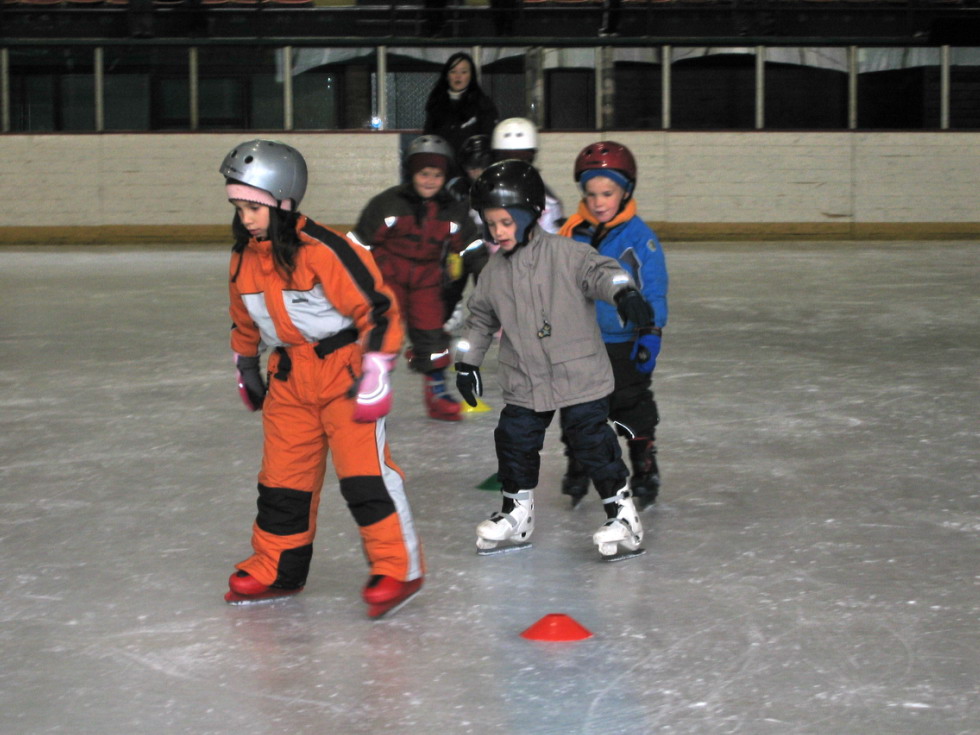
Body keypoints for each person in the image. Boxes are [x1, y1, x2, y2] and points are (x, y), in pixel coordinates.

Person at [219, 139, 424, 618]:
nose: (246, 219)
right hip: (289, 379)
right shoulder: (243, 259)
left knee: (364, 476)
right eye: (239, 208)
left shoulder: (324, 250)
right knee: (282, 481)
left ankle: (398, 569)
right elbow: (243, 320)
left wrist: (376, 369)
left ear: (285, 203)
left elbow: (378, 308)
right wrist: (246, 365)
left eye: (254, 208)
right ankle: (278, 567)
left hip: (344, 375)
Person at [453, 159, 656, 560]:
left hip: (578, 372)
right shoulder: (493, 272)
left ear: (529, 215)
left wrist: (624, 292)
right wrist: (466, 362)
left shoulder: (568, 253)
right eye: (491, 224)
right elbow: (479, 318)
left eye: (506, 222)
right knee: (514, 440)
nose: (498, 232)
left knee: (591, 441)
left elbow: (604, 272)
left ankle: (622, 514)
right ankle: (516, 514)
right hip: (524, 377)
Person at [558, 141, 669, 511]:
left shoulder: (639, 237)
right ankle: (579, 462)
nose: (598, 202)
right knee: (576, 407)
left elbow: (653, 288)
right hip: (579, 340)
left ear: (625, 191)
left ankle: (643, 463)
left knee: (630, 404)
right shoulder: (571, 234)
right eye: (591, 194)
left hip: (623, 339)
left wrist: (650, 332)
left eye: (607, 193)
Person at [350, 134, 481, 421]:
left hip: (427, 281)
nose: (430, 181)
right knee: (380, 330)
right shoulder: (388, 204)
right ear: (412, 173)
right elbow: (358, 244)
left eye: (437, 175)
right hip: (388, 280)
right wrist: (354, 281)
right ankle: (366, 385)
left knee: (432, 333)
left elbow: (472, 248)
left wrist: (486, 276)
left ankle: (436, 391)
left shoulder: (453, 211)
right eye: (424, 174)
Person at [444, 133, 493, 329]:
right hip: (462, 245)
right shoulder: (456, 188)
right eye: (472, 168)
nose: (477, 172)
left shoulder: (499, 184)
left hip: (492, 245)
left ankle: (490, 313)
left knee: (488, 271)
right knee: (451, 265)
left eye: (482, 167)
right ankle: (451, 307)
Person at [423, 52, 499, 174]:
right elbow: (428, 139)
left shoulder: (483, 104)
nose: (458, 76)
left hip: (473, 172)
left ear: (471, 76)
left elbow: (490, 141)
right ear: (446, 75)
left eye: (464, 72)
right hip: (442, 172)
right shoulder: (436, 103)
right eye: (453, 71)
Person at [490, 117, 564, 234]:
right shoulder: (483, 194)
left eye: (521, 158)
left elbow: (551, 237)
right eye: (506, 158)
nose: (514, 167)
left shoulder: (547, 202)